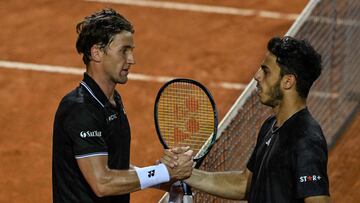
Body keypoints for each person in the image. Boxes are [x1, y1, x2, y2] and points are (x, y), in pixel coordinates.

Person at [52, 8, 193, 203]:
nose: (131, 60)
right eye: (124, 50)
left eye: (131, 51)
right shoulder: (80, 109)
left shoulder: (112, 100)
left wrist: (166, 178)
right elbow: (102, 182)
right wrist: (164, 172)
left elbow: (116, 168)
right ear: (97, 53)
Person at [166, 36, 330, 202]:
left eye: (266, 71)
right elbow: (245, 183)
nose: (257, 76)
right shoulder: (271, 126)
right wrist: (187, 173)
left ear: (287, 81)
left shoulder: (305, 139)